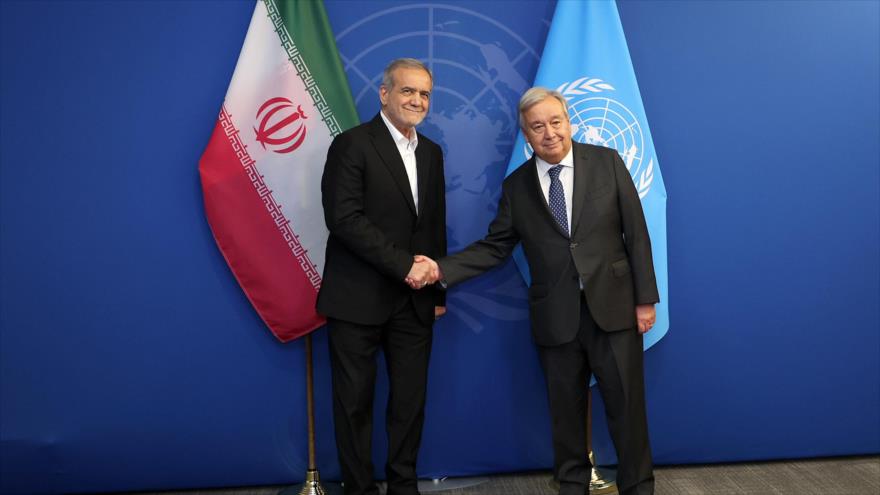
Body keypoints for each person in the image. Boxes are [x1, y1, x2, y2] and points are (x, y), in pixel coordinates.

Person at [409, 87, 658, 495]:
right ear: (526, 134)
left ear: (569, 121)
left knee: (628, 412)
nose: (550, 133)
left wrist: (644, 299)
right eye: (537, 126)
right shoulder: (517, 187)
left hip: (614, 311)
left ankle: (639, 488)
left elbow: (638, 234)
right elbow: (494, 248)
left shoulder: (607, 162)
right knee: (565, 416)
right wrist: (441, 268)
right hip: (556, 319)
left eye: (555, 122)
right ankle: (571, 487)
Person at [316, 58, 446, 495]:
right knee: (354, 405)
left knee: (409, 405)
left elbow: (432, 225)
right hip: (357, 299)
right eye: (408, 91)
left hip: (415, 302)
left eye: (425, 93)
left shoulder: (431, 152)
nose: (417, 100)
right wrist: (404, 264)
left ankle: (403, 486)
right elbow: (344, 218)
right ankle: (358, 489)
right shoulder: (351, 145)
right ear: (384, 93)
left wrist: (437, 288)